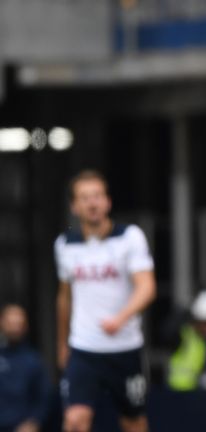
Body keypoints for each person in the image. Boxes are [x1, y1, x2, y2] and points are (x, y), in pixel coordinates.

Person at [55, 170, 156, 432]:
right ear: (74, 206)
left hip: (125, 348)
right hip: (84, 348)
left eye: (98, 196)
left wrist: (120, 318)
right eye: (85, 198)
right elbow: (64, 297)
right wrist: (62, 343)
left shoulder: (129, 237)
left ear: (108, 202)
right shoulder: (65, 245)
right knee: (75, 420)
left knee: (133, 421)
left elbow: (147, 286)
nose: (92, 203)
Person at [0, 304, 51, 432]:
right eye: (11, 323)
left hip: (21, 426)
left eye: (18, 324)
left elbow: (44, 397)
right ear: (2, 323)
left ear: (25, 326)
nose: (14, 328)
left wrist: (34, 422)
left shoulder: (33, 360)